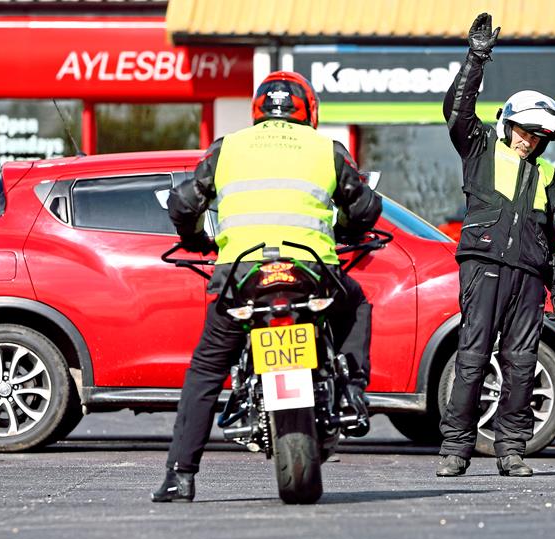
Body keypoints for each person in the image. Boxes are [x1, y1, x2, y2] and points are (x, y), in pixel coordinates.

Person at [152, 71, 382, 502]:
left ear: (258, 110)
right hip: (310, 274)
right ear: (309, 111)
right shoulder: (325, 149)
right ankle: (351, 391)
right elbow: (365, 206)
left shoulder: (228, 147)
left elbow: (183, 204)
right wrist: (349, 229)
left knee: (206, 368)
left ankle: (178, 476)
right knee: (356, 301)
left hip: (242, 278)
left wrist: (195, 239)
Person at [436, 13, 555, 479]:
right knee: (472, 358)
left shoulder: (550, 176)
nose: (529, 141)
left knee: (521, 363)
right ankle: (456, 449)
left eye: (538, 136)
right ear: (509, 122)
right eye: (524, 130)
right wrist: (476, 57)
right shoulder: (480, 148)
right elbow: (457, 109)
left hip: (529, 276)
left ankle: (511, 450)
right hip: (483, 267)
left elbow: (552, 235)